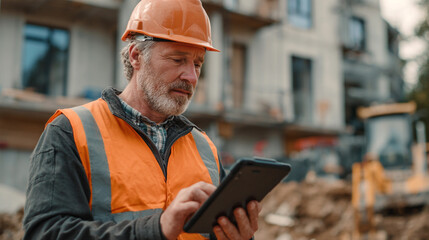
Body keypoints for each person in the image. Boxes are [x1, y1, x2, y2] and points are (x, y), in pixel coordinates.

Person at [23, 0, 261, 239]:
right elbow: (45, 233)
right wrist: (156, 229)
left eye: (198, 64)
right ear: (136, 56)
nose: (191, 76)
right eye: (178, 60)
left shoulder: (204, 147)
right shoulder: (70, 131)